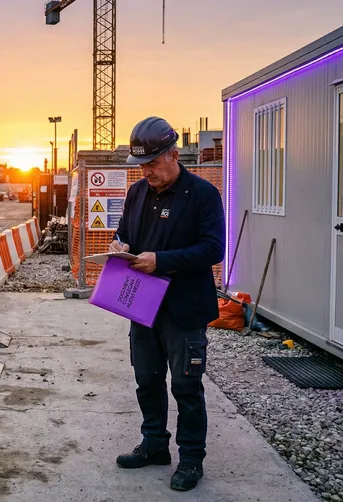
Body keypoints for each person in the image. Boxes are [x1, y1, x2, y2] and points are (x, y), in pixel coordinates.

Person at [110, 117, 225, 491]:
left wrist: (161, 260)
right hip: (142, 302)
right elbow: (124, 233)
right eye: (141, 166)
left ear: (174, 155)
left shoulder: (203, 195)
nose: (146, 172)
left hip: (183, 308)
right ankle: (155, 445)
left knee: (187, 387)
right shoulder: (137, 193)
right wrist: (119, 247)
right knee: (147, 380)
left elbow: (213, 249)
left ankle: (191, 459)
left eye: (152, 164)